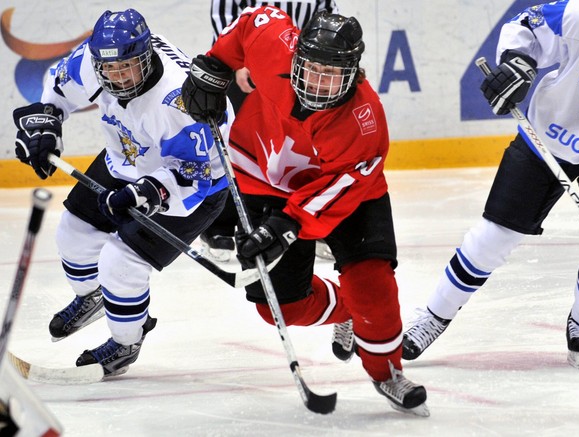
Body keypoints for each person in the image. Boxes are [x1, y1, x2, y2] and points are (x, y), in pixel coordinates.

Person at [181, 6, 429, 416]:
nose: (318, 83)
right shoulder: (274, 43)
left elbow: (343, 185)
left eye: (332, 75)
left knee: (373, 284)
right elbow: (250, 23)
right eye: (312, 69)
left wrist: (285, 224)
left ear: (353, 73)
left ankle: (387, 372)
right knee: (280, 307)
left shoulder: (364, 120)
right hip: (263, 177)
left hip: (348, 194)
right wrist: (214, 65)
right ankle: (347, 308)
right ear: (295, 56)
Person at [12, 9, 231, 377]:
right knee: (72, 233)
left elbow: (195, 174)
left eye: (126, 68)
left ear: (146, 57)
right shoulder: (95, 61)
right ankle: (92, 298)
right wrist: (47, 120)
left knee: (120, 263)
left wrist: (145, 193)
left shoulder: (177, 102)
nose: (116, 78)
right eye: (108, 70)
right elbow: (60, 87)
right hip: (127, 158)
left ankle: (126, 340)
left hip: (194, 185)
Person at [401, 0, 579, 370]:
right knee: (493, 237)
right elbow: (527, 24)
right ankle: (435, 315)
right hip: (550, 135)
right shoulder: (578, 14)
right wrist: (518, 62)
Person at [201, 0, 339, 262]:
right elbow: (225, 12)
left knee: (303, 147)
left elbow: (327, 14)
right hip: (245, 63)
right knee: (235, 144)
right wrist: (239, 62)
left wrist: (318, 59)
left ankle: (308, 219)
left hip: (303, 71)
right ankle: (221, 222)